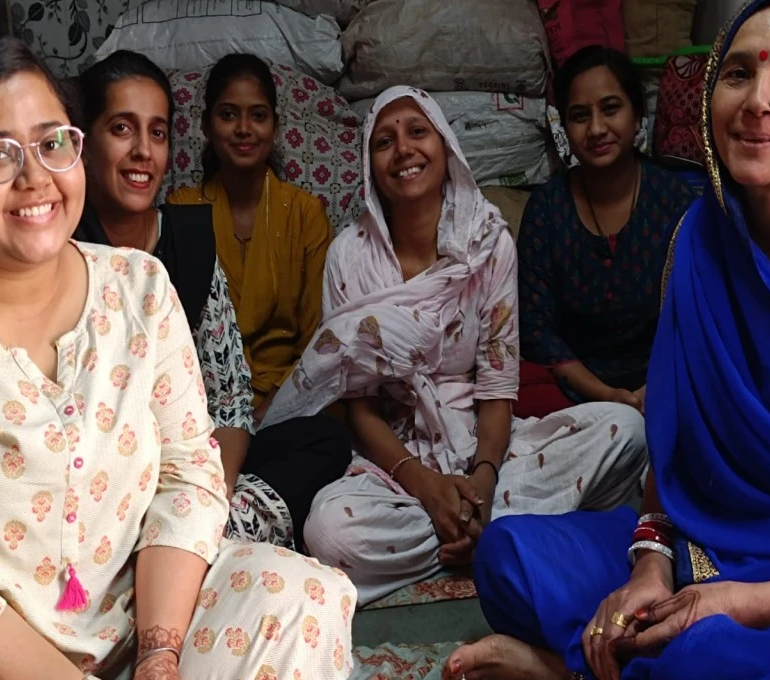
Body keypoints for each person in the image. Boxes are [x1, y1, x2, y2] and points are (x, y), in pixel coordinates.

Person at [445, 1, 770, 678]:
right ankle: (663, 652)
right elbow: (674, 457)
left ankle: (575, 667)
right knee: (508, 556)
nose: (758, 102)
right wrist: (649, 569)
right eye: (738, 74)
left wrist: (754, 600)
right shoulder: (695, 243)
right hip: (703, 547)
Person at [0, 35, 355, 680]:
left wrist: (159, 652)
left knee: (298, 597)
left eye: (51, 142)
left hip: (151, 614)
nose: (35, 176)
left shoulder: (139, 286)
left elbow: (188, 474)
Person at [258, 86, 649, 606]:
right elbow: (359, 406)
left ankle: (470, 524)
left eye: (418, 133)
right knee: (328, 531)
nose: (404, 151)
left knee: (625, 431)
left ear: (446, 149)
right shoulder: (348, 257)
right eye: (384, 141)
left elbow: (496, 382)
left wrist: (482, 484)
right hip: (393, 457)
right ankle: (496, 532)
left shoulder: (489, 243)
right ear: (369, 164)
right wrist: (424, 484)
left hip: (484, 446)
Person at [74, 50, 350, 550]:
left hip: (207, 452)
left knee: (326, 441)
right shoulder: (63, 250)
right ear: (83, 143)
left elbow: (229, 397)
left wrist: (213, 497)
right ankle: (186, 543)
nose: (142, 150)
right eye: (121, 129)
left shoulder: (189, 238)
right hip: (107, 471)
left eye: (157, 132)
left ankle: (207, 536)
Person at [515, 46, 697, 419]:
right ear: (565, 128)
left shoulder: (675, 200)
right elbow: (536, 329)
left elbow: (695, 313)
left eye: (611, 108)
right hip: (573, 385)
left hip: (667, 376)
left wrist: (651, 391)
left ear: (637, 115)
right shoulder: (547, 209)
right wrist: (607, 397)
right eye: (580, 116)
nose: (596, 128)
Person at [169, 53, 332, 421]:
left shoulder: (305, 214)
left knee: (332, 440)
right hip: (205, 403)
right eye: (228, 114)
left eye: (258, 116)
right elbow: (174, 338)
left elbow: (316, 341)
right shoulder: (182, 209)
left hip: (286, 403)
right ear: (206, 127)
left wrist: (267, 411)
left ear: (275, 129)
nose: (244, 128)